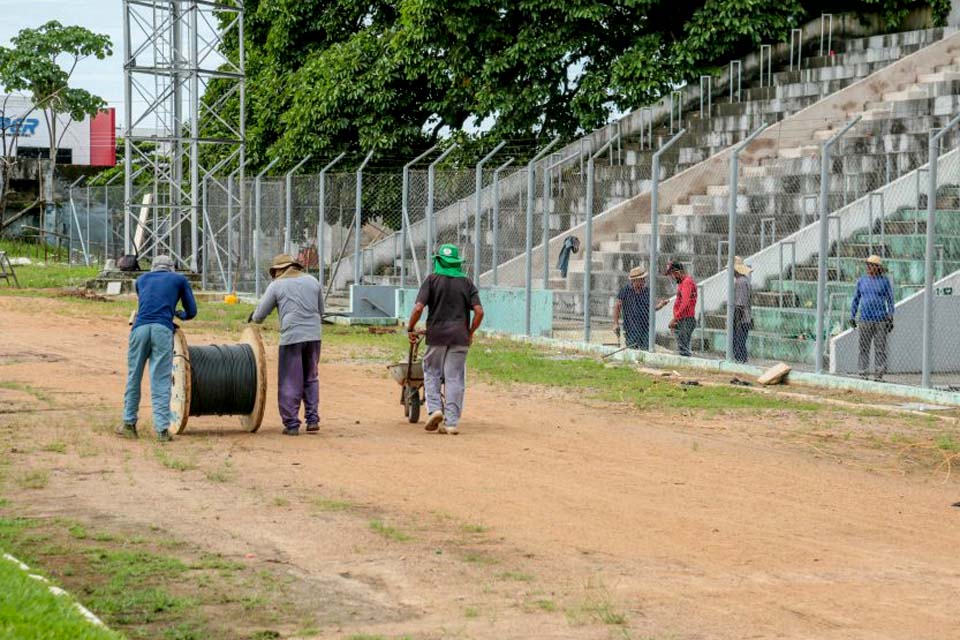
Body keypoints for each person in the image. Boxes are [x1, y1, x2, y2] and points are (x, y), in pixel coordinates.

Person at [117, 255, 197, 442]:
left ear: (153, 267)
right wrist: (178, 315)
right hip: (162, 330)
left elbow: (147, 304)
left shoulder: (141, 280)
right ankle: (161, 430)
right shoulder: (179, 280)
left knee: (134, 376)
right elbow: (192, 311)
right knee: (160, 378)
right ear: (171, 268)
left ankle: (129, 424)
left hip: (139, 329)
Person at [406, 244, 484, 435]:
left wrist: (410, 328)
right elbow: (479, 312)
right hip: (460, 337)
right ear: (457, 263)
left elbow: (418, 308)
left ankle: (435, 409)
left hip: (437, 335)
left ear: (438, 260)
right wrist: (470, 331)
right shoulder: (467, 283)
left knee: (432, 372)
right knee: (454, 377)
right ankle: (451, 423)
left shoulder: (431, 280)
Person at [250, 254, 324, 435]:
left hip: (292, 337)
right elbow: (321, 311)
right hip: (314, 336)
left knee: (290, 380)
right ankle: (312, 419)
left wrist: (253, 317)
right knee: (311, 377)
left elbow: (260, 315)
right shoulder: (313, 281)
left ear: (278, 270)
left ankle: (291, 424)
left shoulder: (277, 285)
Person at [850, 254, 894, 381]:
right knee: (863, 347)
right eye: (868, 265)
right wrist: (852, 316)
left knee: (880, 347)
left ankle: (879, 373)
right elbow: (856, 299)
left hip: (880, 319)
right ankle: (863, 372)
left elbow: (890, 300)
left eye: (871, 265)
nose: (869, 267)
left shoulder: (884, 281)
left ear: (877, 267)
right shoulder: (862, 280)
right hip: (865, 318)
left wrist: (890, 316)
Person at [663, 260, 697, 357]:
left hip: (686, 319)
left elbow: (685, 303)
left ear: (677, 273)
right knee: (683, 348)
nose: (672, 277)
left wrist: (674, 319)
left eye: (672, 274)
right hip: (682, 319)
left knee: (684, 350)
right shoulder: (683, 283)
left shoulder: (687, 282)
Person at [612, 267, 650, 349]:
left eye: (644, 279)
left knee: (646, 350)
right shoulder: (625, 291)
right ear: (634, 280)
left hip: (645, 328)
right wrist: (616, 323)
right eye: (641, 279)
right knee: (632, 349)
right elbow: (617, 306)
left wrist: (660, 305)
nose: (644, 281)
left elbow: (652, 308)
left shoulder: (647, 291)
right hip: (631, 327)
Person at [733, 256, 753, 364]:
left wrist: (736, 321)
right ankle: (741, 362)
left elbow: (740, 305)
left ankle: (741, 362)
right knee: (740, 344)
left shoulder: (740, 282)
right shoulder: (743, 280)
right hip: (743, 318)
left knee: (738, 344)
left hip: (741, 318)